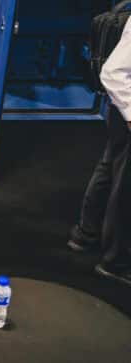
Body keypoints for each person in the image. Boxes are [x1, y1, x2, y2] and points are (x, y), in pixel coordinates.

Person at [68, 16, 131, 287]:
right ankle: (115, 262)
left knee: (109, 169)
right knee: (125, 187)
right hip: (126, 111)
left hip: (122, 112)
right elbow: (113, 72)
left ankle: (86, 234)